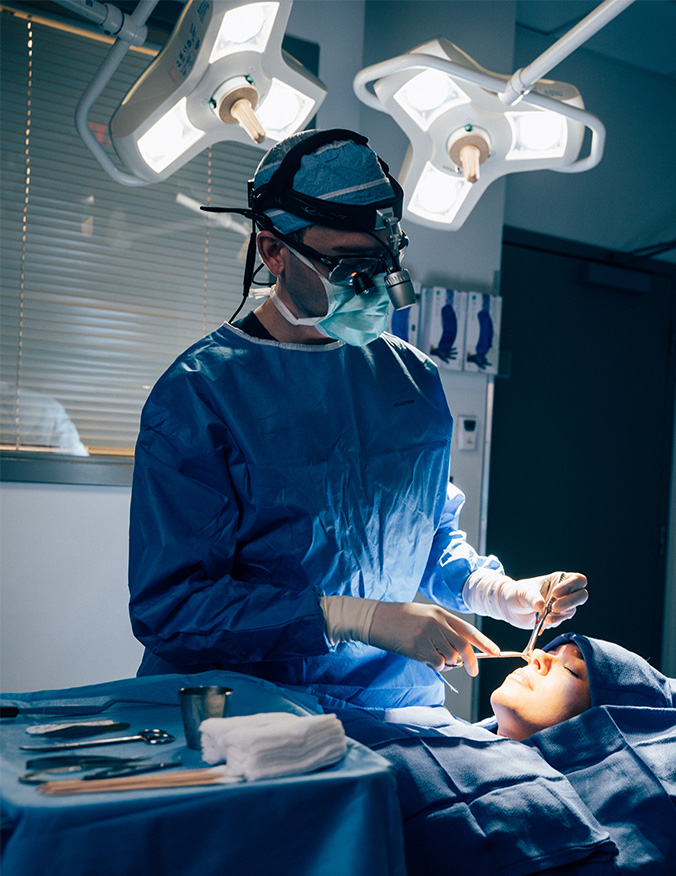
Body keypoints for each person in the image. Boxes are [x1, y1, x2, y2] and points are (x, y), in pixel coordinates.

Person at [128, 127, 588, 720]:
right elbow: (176, 608)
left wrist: (499, 593)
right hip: (245, 713)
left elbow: (422, 537)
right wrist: (353, 618)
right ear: (272, 251)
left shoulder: (410, 381)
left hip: (391, 707)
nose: (373, 287)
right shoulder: (200, 395)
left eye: (383, 261)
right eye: (347, 266)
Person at [334, 633, 676, 875]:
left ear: (599, 731)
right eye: (550, 650)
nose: (538, 656)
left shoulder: (567, 820)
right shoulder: (427, 722)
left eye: (571, 669)